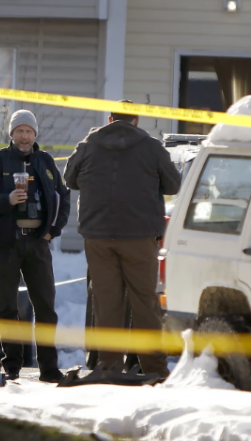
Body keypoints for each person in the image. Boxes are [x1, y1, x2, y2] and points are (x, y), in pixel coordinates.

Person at [64, 101, 181, 377]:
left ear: (110, 118)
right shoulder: (152, 147)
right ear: (136, 120)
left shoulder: (89, 144)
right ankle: (154, 369)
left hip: (98, 237)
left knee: (107, 303)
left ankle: (109, 366)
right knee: (145, 304)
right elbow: (174, 185)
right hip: (140, 236)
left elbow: (69, 179)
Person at [0, 110, 70, 382]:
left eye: (28, 131)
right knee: (8, 307)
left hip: (37, 244)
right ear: (12, 134)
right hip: (5, 244)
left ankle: (49, 369)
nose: (24, 136)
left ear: (35, 134)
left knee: (46, 308)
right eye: (19, 131)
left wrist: (52, 231)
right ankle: (12, 365)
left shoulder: (45, 162)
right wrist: (5, 200)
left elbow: (63, 197)